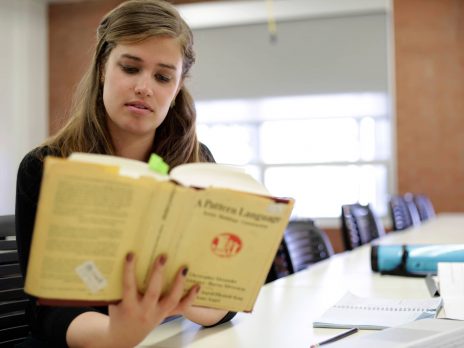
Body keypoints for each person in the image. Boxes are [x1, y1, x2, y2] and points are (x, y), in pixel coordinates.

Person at [15, 1, 236, 346]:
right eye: (131, 69)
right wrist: (118, 335)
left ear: (177, 87)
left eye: (163, 77)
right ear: (104, 66)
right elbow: (47, 310)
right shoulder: (45, 167)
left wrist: (186, 297)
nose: (144, 88)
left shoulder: (197, 163)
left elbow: (221, 301)